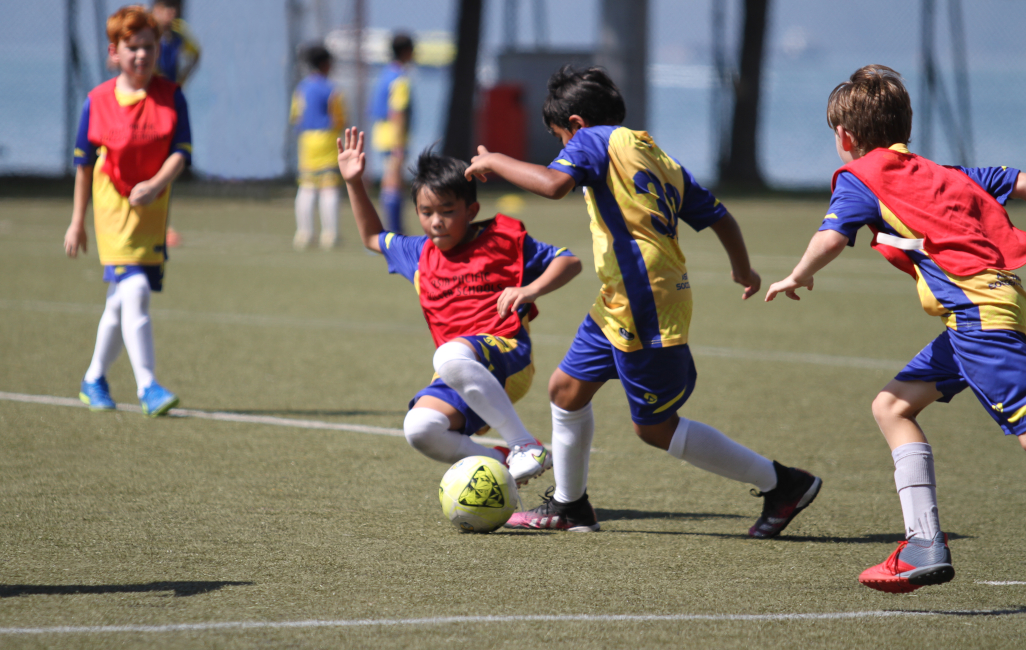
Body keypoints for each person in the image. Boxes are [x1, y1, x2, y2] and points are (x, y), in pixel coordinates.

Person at [464, 66, 822, 535]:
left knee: (654, 428)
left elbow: (553, 186)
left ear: (575, 124)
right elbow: (720, 216)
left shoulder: (592, 141)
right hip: (619, 298)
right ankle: (571, 508)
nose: (563, 151)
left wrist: (495, 162)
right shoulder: (656, 155)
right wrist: (742, 266)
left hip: (644, 303)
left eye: (559, 139)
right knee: (566, 391)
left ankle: (783, 484)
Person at [766, 64, 1026, 593]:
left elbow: (833, 234)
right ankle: (923, 543)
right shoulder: (945, 173)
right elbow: (1018, 181)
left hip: (980, 318)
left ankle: (923, 544)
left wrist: (798, 274)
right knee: (892, 405)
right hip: (989, 310)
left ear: (845, 136)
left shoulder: (860, 176)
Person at [337, 127, 582, 485]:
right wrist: (354, 182)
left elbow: (569, 261)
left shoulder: (503, 241)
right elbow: (372, 237)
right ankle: (505, 465)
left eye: (447, 210)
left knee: (449, 355)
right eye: (426, 211)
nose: (436, 221)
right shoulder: (418, 252)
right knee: (420, 428)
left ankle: (523, 444)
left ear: (472, 210)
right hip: (456, 369)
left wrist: (530, 290)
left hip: (506, 354)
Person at [65, 5, 191, 417]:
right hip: (112, 211)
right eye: (132, 47)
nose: (141, 55)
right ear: (114, 52)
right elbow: (84, 167)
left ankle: (93, 377)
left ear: (158, 49)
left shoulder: (172, 97)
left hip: (151, 213)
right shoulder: (97, 101)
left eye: (148, 47)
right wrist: (77, 221)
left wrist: (155, 186)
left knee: (121, 299)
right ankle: (148, 386)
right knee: (134, 290)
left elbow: (180, 154)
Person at [151, 0, 200, 249]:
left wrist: (181, 79)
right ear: (154, 10)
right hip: (147, 103)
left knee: (165, 164)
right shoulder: (147, 31)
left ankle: (161, 224)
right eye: (165, 8)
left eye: (174, 9)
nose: (170, 14)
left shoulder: (179, 33)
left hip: (168, 103)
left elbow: (197, 53)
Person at [290, 44, 346, 250]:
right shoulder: (332, 89)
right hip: (327, 138)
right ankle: (329, 234)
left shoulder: (301, 88)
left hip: (306, 139)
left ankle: (303, 233)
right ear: (325, 64)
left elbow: (295, 116)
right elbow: (339, 117)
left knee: (306, 186)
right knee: (329, 187)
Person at [369, 33, 414, 234]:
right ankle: (392, 232)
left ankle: (392, 229)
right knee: (393, 183)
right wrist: (398, 144)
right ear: (407, 52)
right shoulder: (400, 79)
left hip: (381, 133)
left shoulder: (385, 73)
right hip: (393, 136)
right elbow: (397, 111)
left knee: (392, 182)